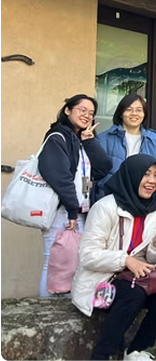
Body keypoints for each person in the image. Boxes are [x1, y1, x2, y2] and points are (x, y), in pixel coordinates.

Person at [72, 154, 156, 360]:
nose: (152, 181)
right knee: (133, 294)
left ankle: (136, 350)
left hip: (138, 278)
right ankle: (101, 356)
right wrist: (125, 260)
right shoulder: (105, 207)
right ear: (132, 175)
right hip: (102, 281)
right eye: (146, 174)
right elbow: (87, 255)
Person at [38, 94, 112, 297]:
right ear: (68, 110)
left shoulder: (81, 140)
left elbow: (104, 167)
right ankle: (45, 310)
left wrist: (89, 142)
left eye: (91, 113)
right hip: (61, 211)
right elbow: (59, 176)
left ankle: (67, 304)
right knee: (53, 262)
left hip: (80, 211)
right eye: (82, 110)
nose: (87, 115)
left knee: (75, 262)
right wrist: (71, 209)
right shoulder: (57, 137)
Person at [96, 94, 156, 199]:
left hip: (145, 199)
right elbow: (98, 174)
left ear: (144, 114)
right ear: (121, 113)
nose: (134, 113)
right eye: (129, 109)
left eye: (139, 110)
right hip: (112, 197)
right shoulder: (104, 139)